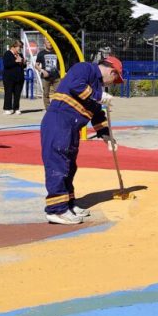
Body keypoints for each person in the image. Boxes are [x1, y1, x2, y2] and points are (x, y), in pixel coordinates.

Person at [39, 56, 123, 224]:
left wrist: (107, 137)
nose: (112, 84)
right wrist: (99, 95)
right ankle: (56, 210)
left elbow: (97, 115)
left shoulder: (96, 86)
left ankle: (68, 203)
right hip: (59, 122)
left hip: (71, 128)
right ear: (111, 71)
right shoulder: (85, 69)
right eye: (115, 80)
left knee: (70, 166)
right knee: (58, 164)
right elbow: (75, 85)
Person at [2, 41, 27, 115]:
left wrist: (23, 63)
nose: (20, 49)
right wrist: (16, 61)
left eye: (21, 47)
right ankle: (7, 108)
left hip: (19, 77)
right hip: (9, 77)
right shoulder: (7, 54)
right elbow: (6, 65)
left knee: (17, 93)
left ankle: (16, 108)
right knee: (8, 93)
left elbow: (23, 66)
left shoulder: (20, 55)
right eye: (19, 47)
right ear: (14, 46)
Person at [35, 39, 61, 110]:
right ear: (44, 44)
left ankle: (56, 106)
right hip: (46, 77)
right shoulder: (41, 53)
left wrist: (62, 73)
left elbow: (60, 64)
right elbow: (36, 65)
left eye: (50, 42)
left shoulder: (57, 52)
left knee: (58, 92)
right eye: (48, 42)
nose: (50, 44)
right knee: (46, 93)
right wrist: (42, 71)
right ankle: (48, 108)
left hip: (56, 76)